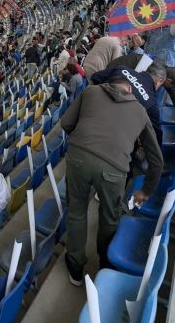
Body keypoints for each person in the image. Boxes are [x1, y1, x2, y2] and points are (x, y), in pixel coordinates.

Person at [60, 69, 164, 285]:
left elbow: (66, 123)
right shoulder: (141, 111)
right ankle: (105, 266)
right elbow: (157, 160)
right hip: (114, 168)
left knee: (77, 211)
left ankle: (75, 266)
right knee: (109, 217)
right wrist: (146, 191)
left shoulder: (90, 91)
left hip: (79, 156)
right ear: (129, 88)